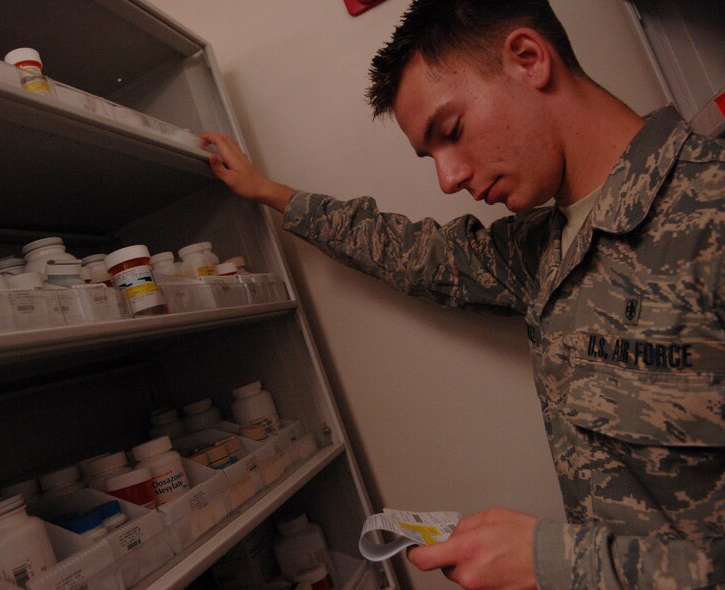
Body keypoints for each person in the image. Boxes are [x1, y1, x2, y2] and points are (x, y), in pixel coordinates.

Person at [201, 1, 724, 588]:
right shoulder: (540, 253)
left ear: (528, 59)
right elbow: (406, 251)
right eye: (431, 157)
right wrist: (270, 192)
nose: (448, 179)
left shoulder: (709, 214)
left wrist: (556, 562)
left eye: (450, 132)